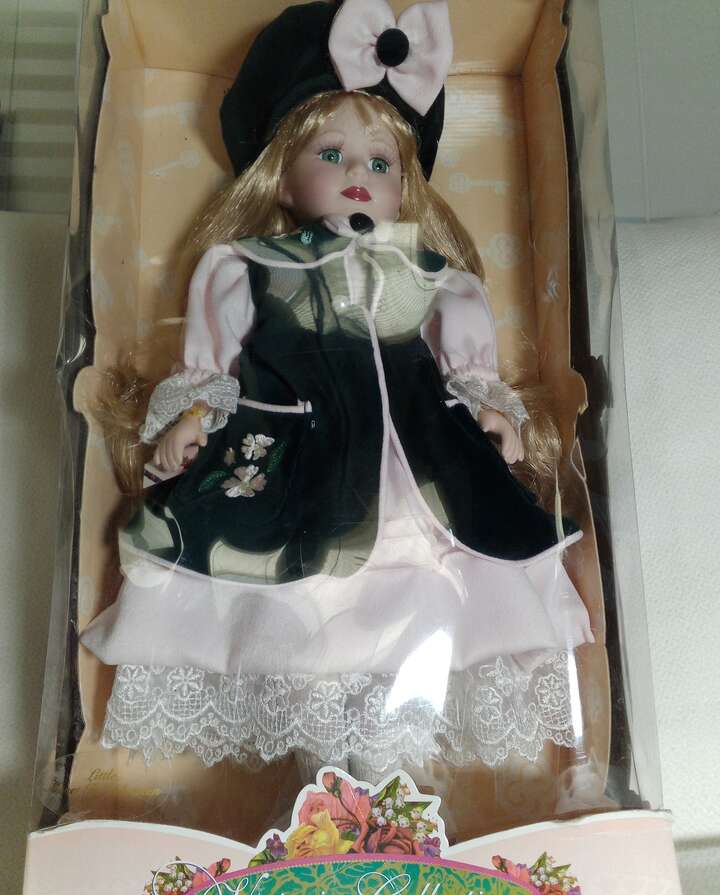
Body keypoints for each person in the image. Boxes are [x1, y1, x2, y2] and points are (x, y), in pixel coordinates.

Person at [82, 0, 593, 840]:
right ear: (281, 177)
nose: (359, 172)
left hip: (426, 490)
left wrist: (494, 417)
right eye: (331, 154)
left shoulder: (436, 278)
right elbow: (211, 366)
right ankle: (321, 812)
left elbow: (470, 375)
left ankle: (397, 815)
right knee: (304, 636)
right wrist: (191, 417)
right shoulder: (247, 267)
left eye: (380, 160)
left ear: (406, 183)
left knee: (422, 617)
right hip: (295, 480)